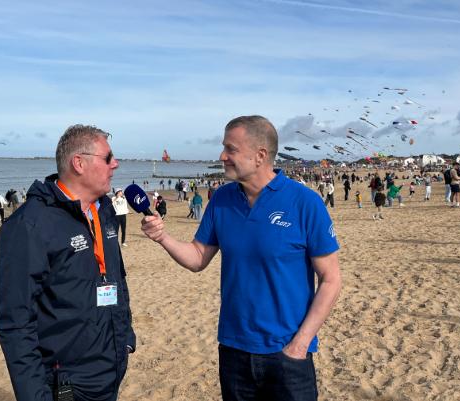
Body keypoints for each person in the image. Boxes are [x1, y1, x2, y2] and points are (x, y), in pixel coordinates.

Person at [140, 116, 341, 401]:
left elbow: (331, 279)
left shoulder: (304, 202)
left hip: (287, 353)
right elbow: (198, 258)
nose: (222, 156)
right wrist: (163, 237)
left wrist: (301, 343)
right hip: (234, 350)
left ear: (260, 155)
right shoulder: (222, 199)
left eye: (230, 149)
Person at [0, 124, 135, 401]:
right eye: (108, 158)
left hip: (110, 369)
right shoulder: (29, 224)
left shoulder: (104, 209)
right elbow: (15, 323)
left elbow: (117, 278)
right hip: (66, 382)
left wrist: (125, 337)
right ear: (79, 163)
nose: (116, 164)